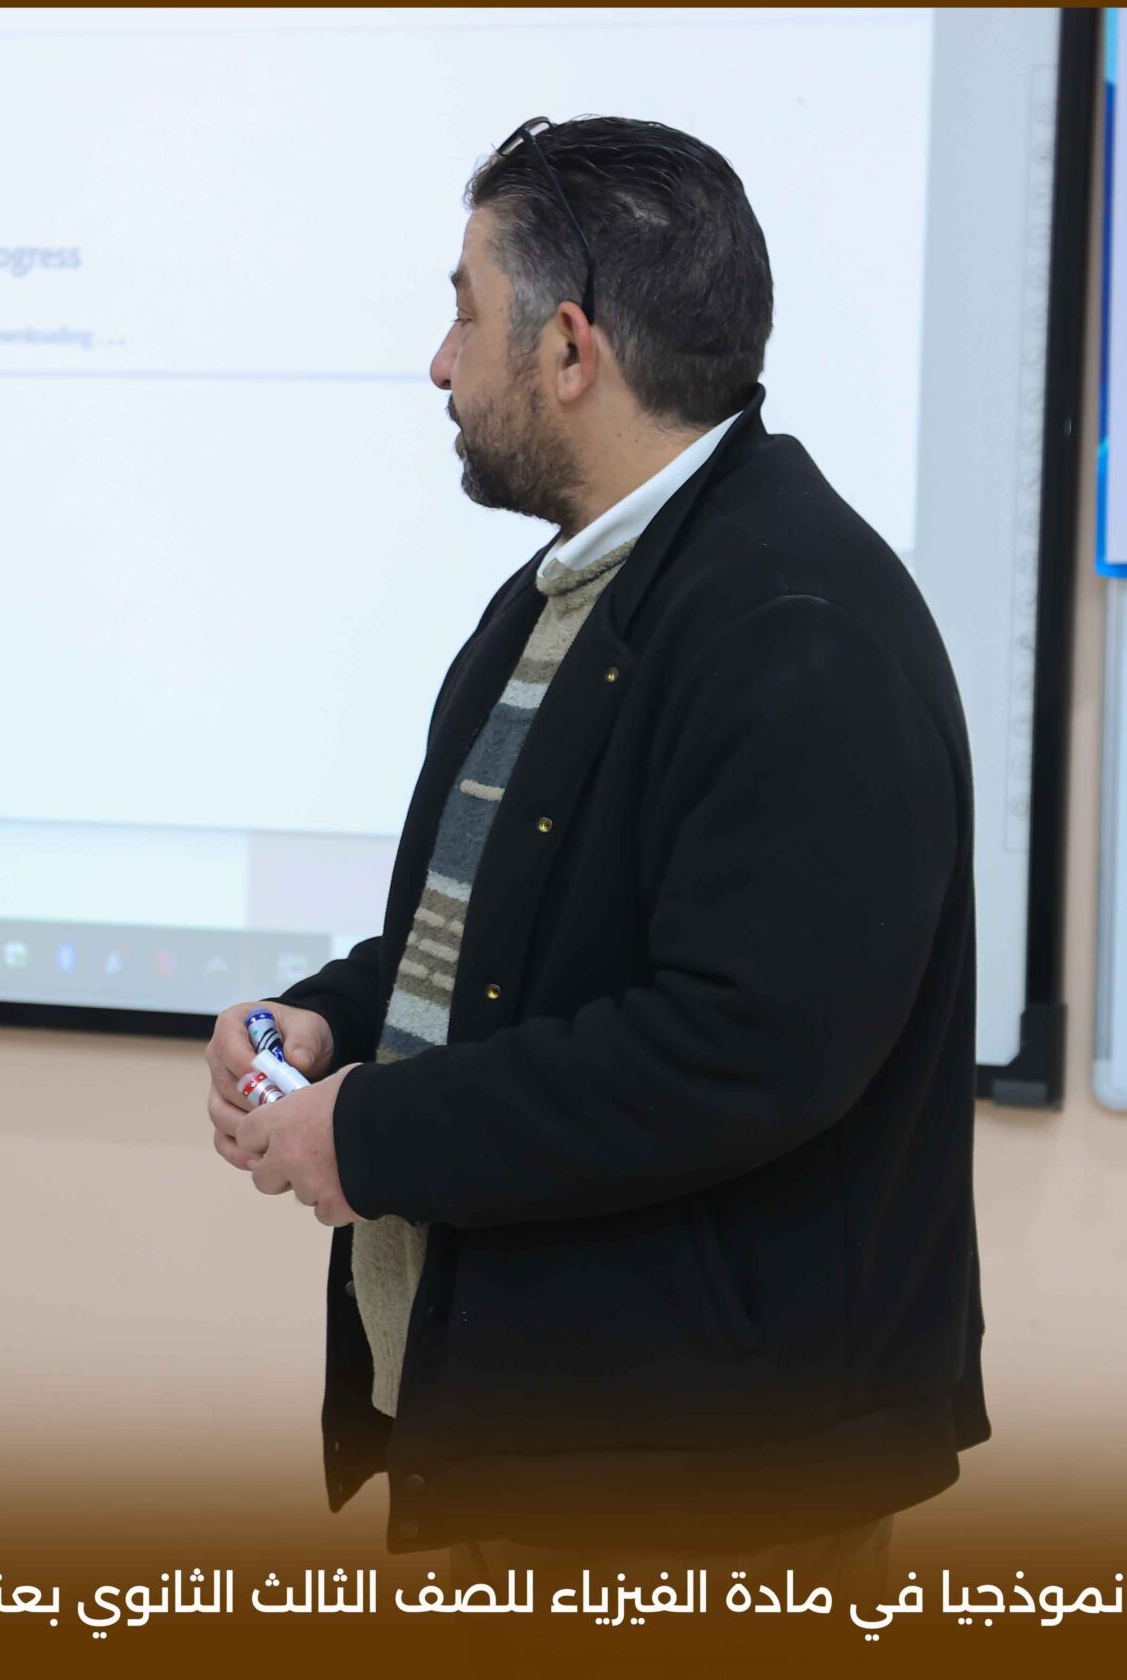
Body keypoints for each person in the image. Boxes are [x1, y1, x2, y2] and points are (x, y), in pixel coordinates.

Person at [204, 116, 986, 1576]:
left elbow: (741, 1047)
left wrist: (373, 1135)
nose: (440, 364)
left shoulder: (799, 624)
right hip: (531, 1451)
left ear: (569, 348)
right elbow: (501, 946)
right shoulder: (567, 596)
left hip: (702, 1499)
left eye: (463, 313)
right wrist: (329, 1021)